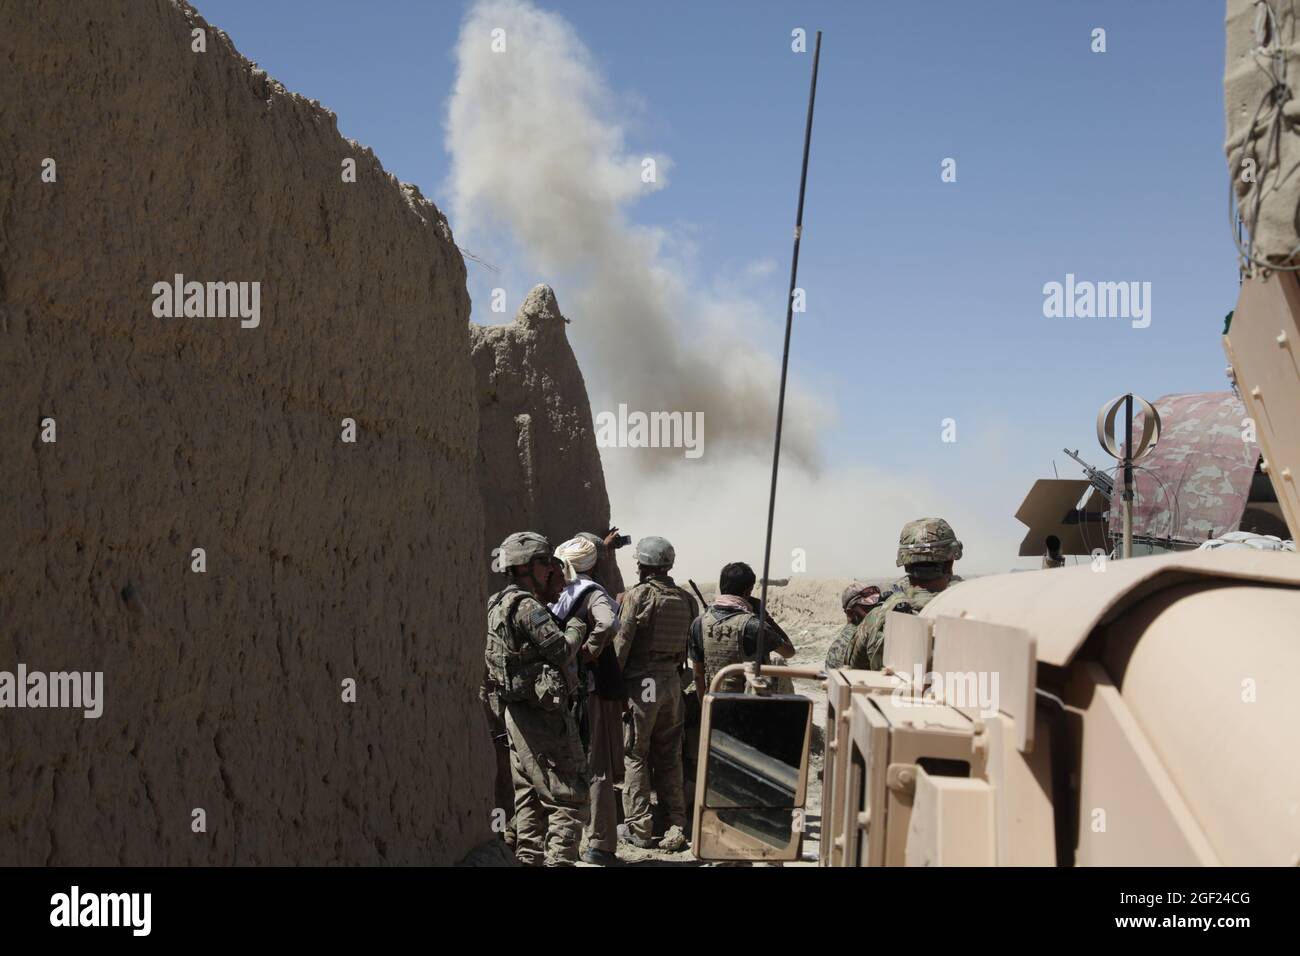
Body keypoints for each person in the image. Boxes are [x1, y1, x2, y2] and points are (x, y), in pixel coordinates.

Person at [485, 532, 590, 866]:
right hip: (542, 714)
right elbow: (559, 650)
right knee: (568, 795)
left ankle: (528, 857)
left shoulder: (496, 603)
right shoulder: (527, 606)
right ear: (525, 567)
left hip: (514, 713)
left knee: (528, 792)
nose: (550, 569)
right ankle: (559, 860)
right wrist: (576, 626)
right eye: (544, 562)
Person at [612, 536, 697, 853]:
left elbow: (622, 645)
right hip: (672, 684)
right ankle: (676, 824)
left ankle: (639, 828)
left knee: (635, 754)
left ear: (643, 566)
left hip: (642, 684)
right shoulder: (686, 599)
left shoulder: (639, 595)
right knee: (670, 755)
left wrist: (614, 685)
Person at [550, 535, 623, 867]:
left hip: (569, 690)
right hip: (594, 691)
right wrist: (592, 651)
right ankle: (601, 843)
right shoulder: (591, 592)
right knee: (598, 767)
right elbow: (608, 622)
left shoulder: (562, 594)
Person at [846, 518, 964, 671]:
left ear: (906, 563)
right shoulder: (969, 610)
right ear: (949, 564)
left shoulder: (878, 616)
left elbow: (851, 672)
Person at [689, 562, 795, 695]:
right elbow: (789, 652)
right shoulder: (754, 625)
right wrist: (766, 618)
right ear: (747, 591)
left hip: (715, 704)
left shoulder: (699, 623)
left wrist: (705, 709)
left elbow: (698, 677)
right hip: (748, 706)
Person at [824, 582, 884, 671]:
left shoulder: (865, 633)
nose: (874, 611)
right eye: (868, 608)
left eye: (876, 605)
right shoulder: (859, 638)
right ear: (851, 613)